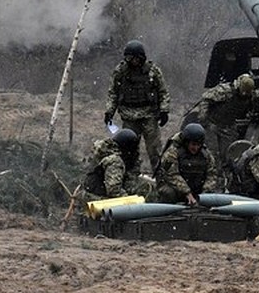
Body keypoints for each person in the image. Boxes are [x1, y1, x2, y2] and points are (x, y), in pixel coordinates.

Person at [104, 40, 171, 171]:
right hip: (129, 116)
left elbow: (163, 92)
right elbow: (113, 93)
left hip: (149, 115)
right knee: (128, 149)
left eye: (136, 58)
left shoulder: (152, 71)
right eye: (130, 58)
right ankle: (130, 175)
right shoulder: (121, 72)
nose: (133, 61)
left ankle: (159, 175)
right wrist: (109, 112)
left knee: (154, 149)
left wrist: (164, 110)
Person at [192, 73, 259, 162]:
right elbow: (206, 100)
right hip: (213, 125)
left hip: (228, 127)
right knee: (213, 153)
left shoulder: (250, 95)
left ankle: (225, 171)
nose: (244, 95)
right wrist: (203, 117)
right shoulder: (225, 91)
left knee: (229, 154)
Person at [155, 123, 220, 205]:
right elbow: (172, 175)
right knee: (168, 193)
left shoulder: (206, 154)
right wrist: (187, 192)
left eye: (198, 145)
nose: (196, 148)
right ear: (186, 142)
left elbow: (212, 174)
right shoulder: (173, 153)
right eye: (193, 144)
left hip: (197, 188)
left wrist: (205, 194)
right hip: (177, 188)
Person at [81, 129, 153, 201]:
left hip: (87, 194)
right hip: (96, 200)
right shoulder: (115, 162)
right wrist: (130, 200)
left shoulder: (104, 152)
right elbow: (114, 190)